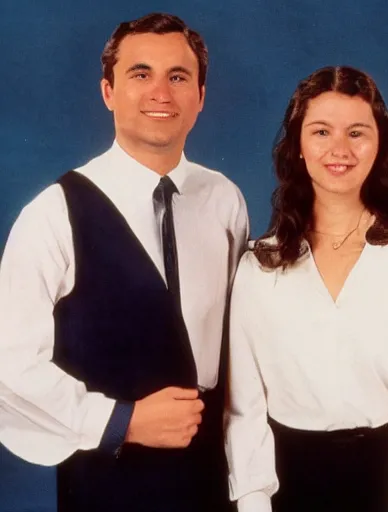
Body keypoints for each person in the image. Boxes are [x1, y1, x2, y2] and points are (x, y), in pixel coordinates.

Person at [0, 12, 248, 512]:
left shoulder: (223, 199)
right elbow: (9, 362)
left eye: (178, 77)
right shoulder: (54, 212)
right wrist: (122, 421)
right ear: (108, 91)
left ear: (200, 97)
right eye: (140, 74)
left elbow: (242, 343)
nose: (161, 92)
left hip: (213, 480)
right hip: (107, 480)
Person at [225, 65, 388, 512]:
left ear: (380, 144)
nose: (339, 150)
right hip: (288, 481)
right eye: (320, 132)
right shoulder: (260, 264)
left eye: (357, 132)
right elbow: (244, 410)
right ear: (297, 146)